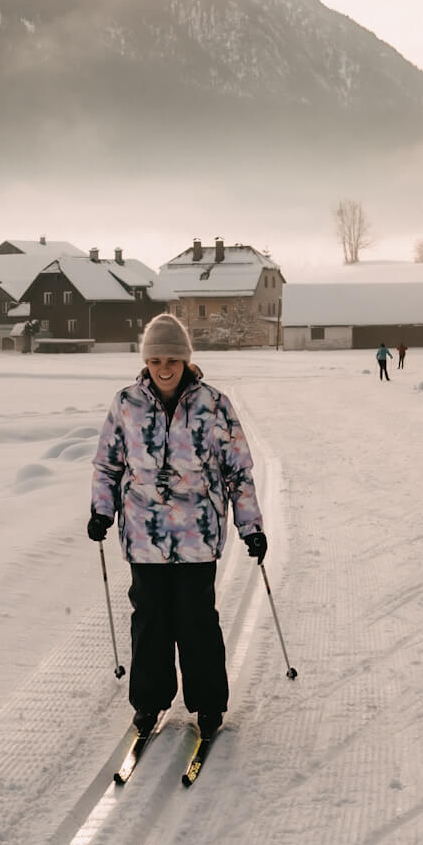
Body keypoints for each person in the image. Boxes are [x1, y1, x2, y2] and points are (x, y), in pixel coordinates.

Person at [88, 312, 266, 742]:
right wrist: (101, 511)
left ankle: (208, 704)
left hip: (196, 538)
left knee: (195, 620)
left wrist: (250, 526)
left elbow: (237, 471)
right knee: (150, 620)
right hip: (144, 539)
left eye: (172, 359)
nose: (164, 368)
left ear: (186, 360)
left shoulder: (214, 405)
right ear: (145, 362)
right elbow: (107, 465)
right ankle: (149, 701)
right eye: (155, 360)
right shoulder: (125, 404)